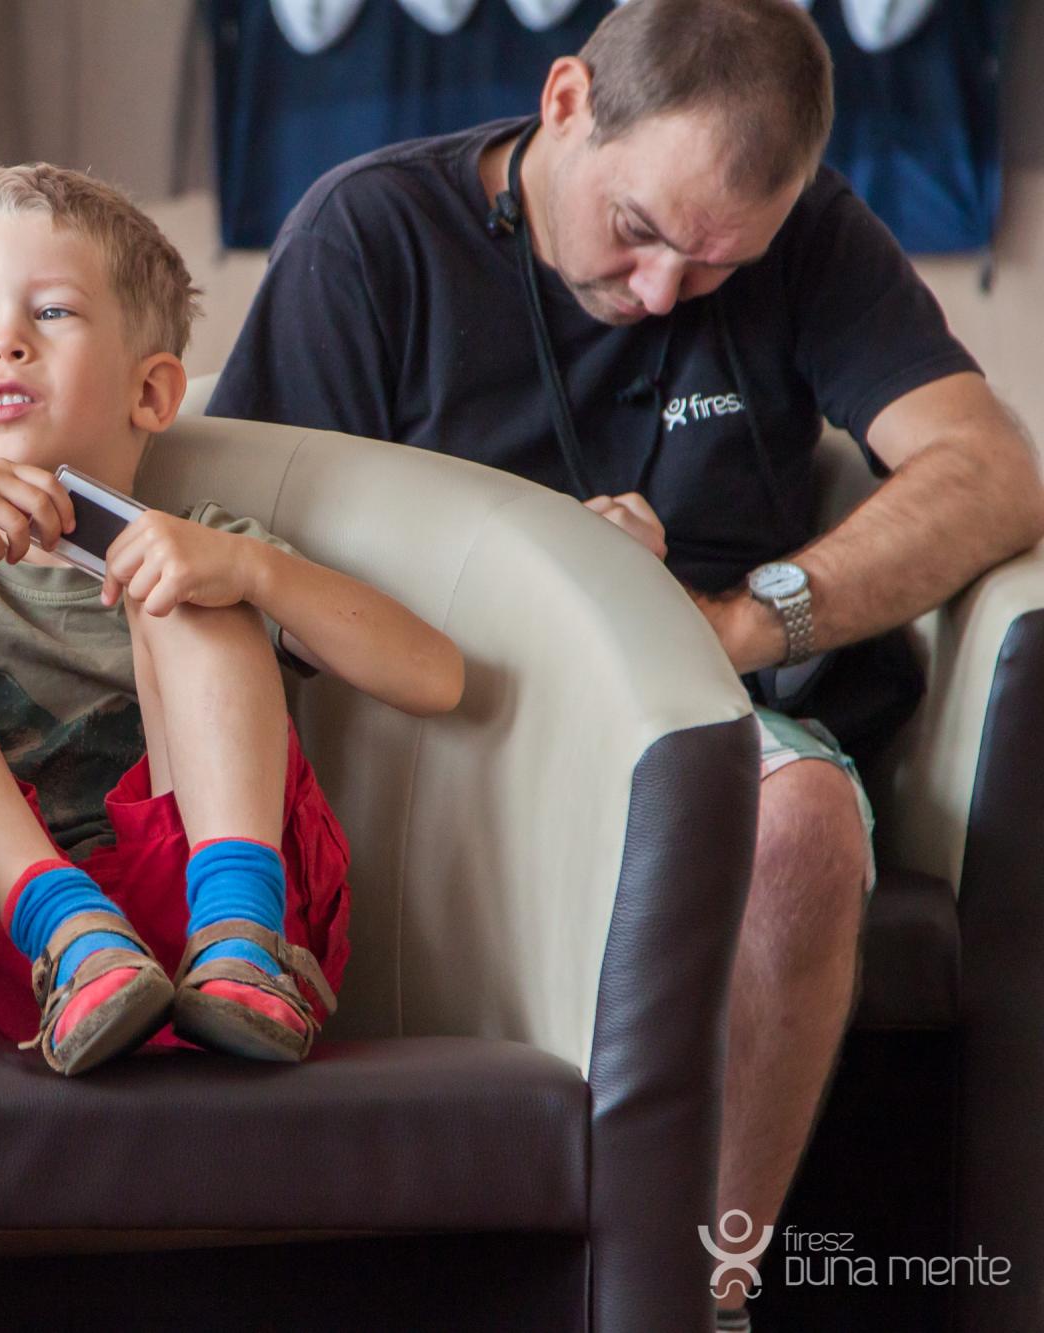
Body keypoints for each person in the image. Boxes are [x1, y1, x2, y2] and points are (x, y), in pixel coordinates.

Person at [207, 0, 1044, 1325]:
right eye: (639, 231)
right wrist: (552, 588)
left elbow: (989, 470)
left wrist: (739, 621)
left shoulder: (807, 235)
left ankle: (703, 1296)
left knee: (804, 820)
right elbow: (247, 545)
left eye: (715, 266)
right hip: (437, 721)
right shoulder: (367, 235)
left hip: (702, 700)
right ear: (565, 103)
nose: (660, 293)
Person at [0, 164, 463, 1076]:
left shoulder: (206, 547)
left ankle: (238, 930)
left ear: (151, 393)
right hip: (23, 952)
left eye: (52, 312)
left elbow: (435, 677)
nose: (6, 343)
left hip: (237, 933)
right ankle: (76, 932)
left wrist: (252, 570)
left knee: (182, 588)